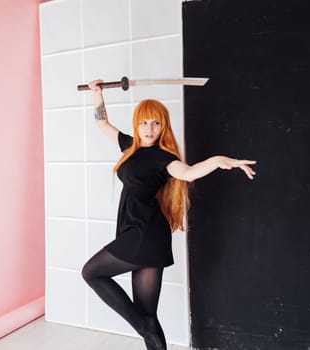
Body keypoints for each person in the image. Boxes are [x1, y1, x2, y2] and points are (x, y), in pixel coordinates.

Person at [81, 79, 256, 350]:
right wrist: (97, 94)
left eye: (155, 123)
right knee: (148, 314)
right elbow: (102, 124)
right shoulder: (129, 146)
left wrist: (217, 161)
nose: (149, 129)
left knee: (91, 272)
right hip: (141, 234)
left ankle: (143, 327)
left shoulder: (165, 159)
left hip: (144, 234)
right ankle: (145, 327)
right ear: (136, 124)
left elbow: (187, 172)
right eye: (144, 123)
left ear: (163, 126)